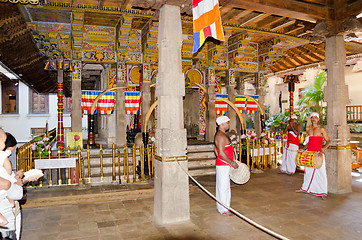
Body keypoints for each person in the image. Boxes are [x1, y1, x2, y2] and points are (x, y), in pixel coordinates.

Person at [297, 112, 330, 200]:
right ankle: (306, 188)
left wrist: (323, 149)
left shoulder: (322, 129)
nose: (313, 119)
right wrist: (303, 149)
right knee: (308, 172)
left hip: (318, 153)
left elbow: (328, 141)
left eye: (315, 117)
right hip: (309, 153)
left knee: (321, 172)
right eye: (312, 117)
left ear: (318, 119)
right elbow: (309, 141)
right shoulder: (308, 128)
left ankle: (323, 192)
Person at [214, 116, 238, 216]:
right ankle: (224, 209)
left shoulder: (221, 134)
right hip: (224, 164)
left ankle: (223, 207)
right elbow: (221, 152)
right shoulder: (221, 136)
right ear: (222, 124)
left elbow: (215, 150)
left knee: (224, 186)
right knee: (223, 187)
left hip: (223, 164)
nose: (229, 124)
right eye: (227, 122)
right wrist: (231, 163)